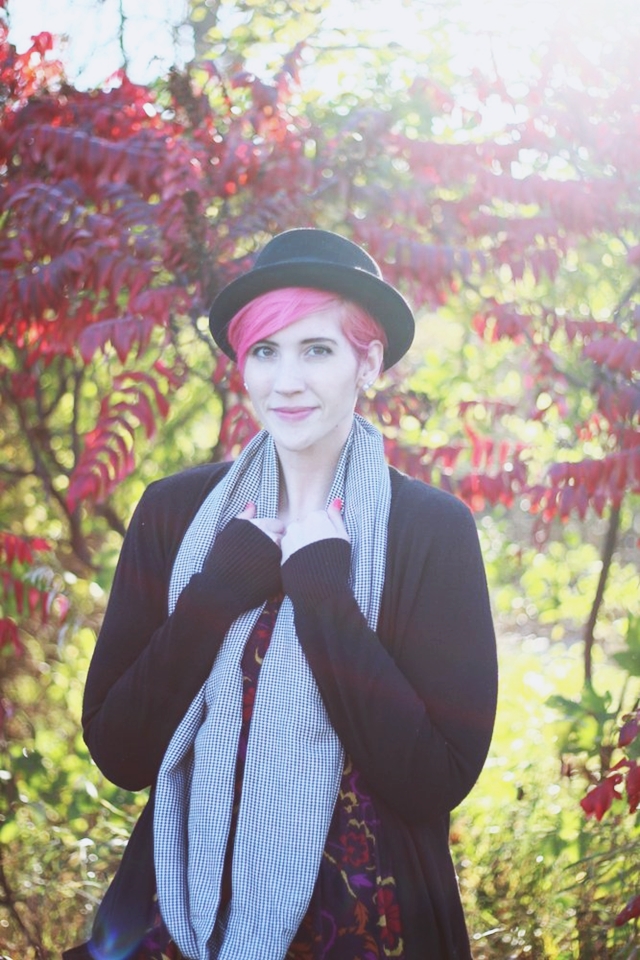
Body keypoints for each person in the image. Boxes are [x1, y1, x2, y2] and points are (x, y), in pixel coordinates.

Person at [64, 228, 498, 960]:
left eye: (317, 350)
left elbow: (435, 777)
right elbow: (120, 752)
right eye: (265, 351)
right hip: (179, 909)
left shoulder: (431, 530)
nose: (285, 381)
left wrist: (326, 595)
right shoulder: (175, 514)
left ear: (369, 361)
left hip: (364, 921)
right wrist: (218, 590)